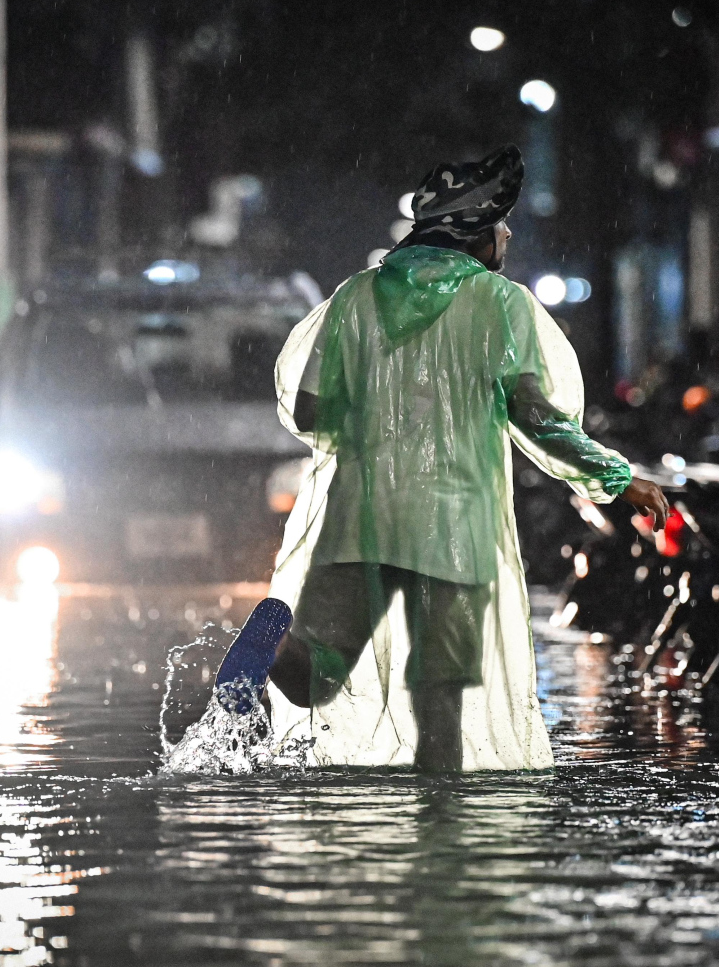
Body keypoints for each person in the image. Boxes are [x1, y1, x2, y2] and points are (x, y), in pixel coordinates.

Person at [264, 145, 668, 772]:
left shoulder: (357, 297)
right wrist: (617, 478)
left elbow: (308, 410)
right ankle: (442, 836)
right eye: (500, 221)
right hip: (452, 531)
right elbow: (536, 420)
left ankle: (265, 651)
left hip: (358, 516)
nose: (507, 233)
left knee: (317, 673)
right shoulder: (499, 304)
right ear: (475, 232)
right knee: (441, 702)